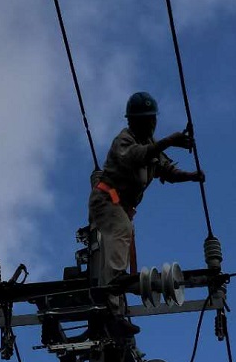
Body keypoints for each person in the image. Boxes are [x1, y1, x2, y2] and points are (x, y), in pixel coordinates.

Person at [88, 91, 205, 337]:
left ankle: (116, 310)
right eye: (145, 120)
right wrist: (170, 140)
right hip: (106, 200)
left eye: (152, 120)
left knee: (124, 233)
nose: (150, 124)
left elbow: (167, 171)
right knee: (121, 230)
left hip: (120, 206)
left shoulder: (152, 144)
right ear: (132, 121)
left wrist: (192, 177)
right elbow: (136, 157)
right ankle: (112, 295)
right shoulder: (125, 140)